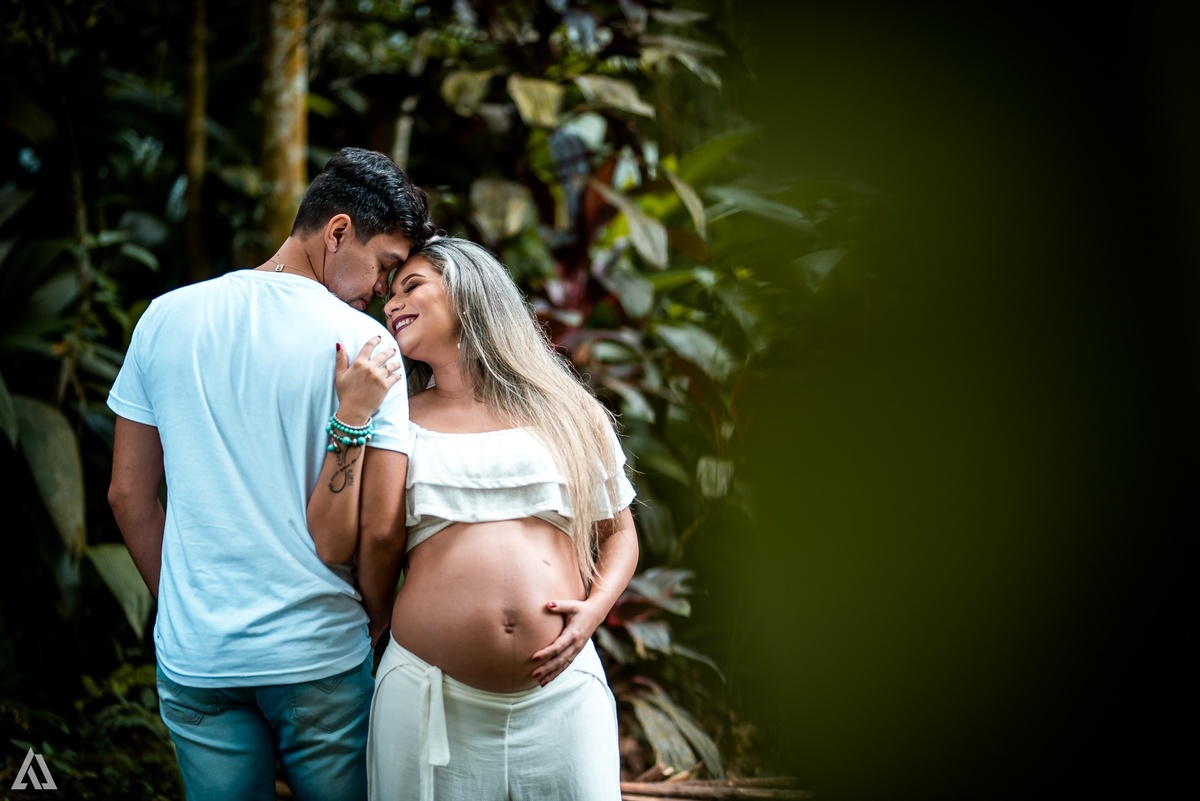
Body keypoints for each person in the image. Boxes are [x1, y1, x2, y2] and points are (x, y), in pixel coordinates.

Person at [106, 147, 434, 801]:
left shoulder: (164, 317)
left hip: (199, 654)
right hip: (319, 651)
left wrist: (181, 609)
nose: (382, 289)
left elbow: (127, 492)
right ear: (338, 230)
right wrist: (374, 623)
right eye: (385, 266)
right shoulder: (369, 351)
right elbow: (377, 531)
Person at [309, 235, 641, 801]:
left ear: (470, 294)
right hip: (428, 695)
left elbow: (621, 535)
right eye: (389, 293)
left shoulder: (569, 410)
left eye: (412, 286)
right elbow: (370, 540)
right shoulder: (399, 420)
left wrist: (591, 615)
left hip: (564, 698)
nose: (390, 304)